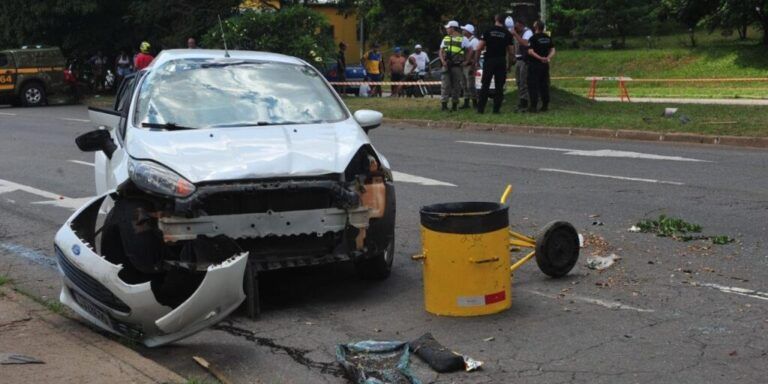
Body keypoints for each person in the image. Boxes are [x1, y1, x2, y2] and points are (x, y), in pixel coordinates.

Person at [475, 14, 515, 114]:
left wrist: (476, 61)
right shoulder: (507, 33)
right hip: (501, 61)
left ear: (496, 19)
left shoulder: (488, 30)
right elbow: (511, 52)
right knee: (499, 86)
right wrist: (509, 65)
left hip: (489, 61)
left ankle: (480, 109)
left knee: (485, 85)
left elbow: (479, 47)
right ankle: (496, 110)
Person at [439, 20, 469, 111]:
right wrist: (442, 61)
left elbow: (469, 50)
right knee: (445, 85)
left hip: (457, 65)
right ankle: (444, 105)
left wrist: (466, 61)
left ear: (452, 28)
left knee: (456, 86)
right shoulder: (446, 38)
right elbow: (441, 51)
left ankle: (454, 105)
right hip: (446, 65)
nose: (447, 29)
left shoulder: (463, 39)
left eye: (448, 27)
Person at [526, 20, 556, 112]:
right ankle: (545, 105)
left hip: (534, 65)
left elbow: (530, 52)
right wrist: (547, 58)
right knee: (544, 85)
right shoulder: (547, 37)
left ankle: (533, 106)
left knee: (533, 85)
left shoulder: (533, 38)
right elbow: (553, 50)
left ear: (536, 27)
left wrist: (540, 58)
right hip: (545, 65)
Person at [511, 18, 534, 112]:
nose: (515, 29)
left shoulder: (527, 32)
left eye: (516, 26)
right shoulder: (517, 33)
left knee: (523, 81)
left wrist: (515, 34)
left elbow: (525, 43)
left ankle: (525, 102)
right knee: (519, 81)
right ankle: (521, 99)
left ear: (521, 25)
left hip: (525, 60)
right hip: (518, 59)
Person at [460, 24, 480, 109]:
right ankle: (466, 102)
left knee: (470, 85)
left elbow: (476, 54)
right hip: (464, 65)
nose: (462, 31)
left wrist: (473, 65)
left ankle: (475, 102)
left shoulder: (474, 41)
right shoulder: (465, 40)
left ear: (468, 32)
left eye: (464, 30)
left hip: (469, 65)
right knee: (464, 84)